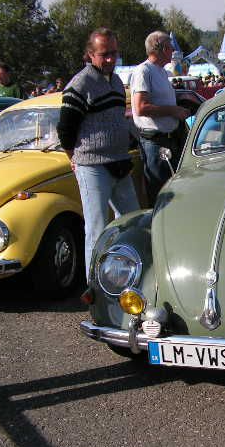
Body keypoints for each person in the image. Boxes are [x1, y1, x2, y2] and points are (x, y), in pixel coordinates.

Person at [57, 27, 140, 279]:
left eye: (114, 53)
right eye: (104, 54)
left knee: (132, 223)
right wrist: (74, 158)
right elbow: (65, 129)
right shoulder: (80, 84)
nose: (111, 59)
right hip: (92, 165)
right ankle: (94, 286)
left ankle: (128, 278)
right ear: (90, 54)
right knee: (96, 229)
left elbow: (117, 118)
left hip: (119, 161)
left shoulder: (116, 82)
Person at [130, 30, 190, 205]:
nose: (173, 51)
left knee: (172, 191)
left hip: (169, 139)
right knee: (159, 193)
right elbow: (141, 107)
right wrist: (173, 111)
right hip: (155, 142)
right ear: (162, 48)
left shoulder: (162, 72)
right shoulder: (143, 71)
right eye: (170, 47)